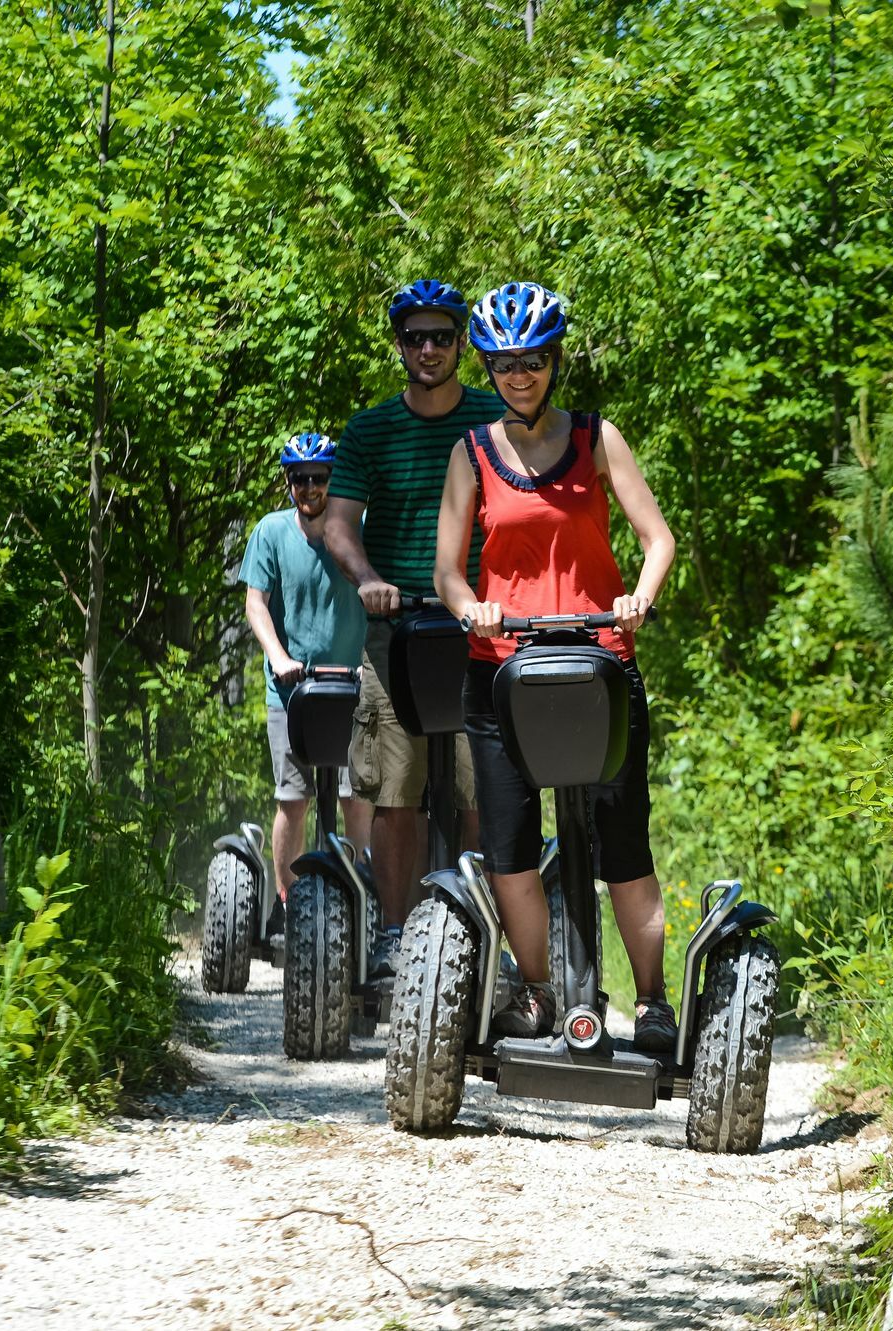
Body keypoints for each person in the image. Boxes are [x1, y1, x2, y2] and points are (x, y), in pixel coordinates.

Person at [434, 282, 680, 1053]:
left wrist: (638, 597)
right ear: (488, 366)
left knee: (624, 841)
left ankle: (651, 1003)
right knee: (509, 843)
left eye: (532, 361)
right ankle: (539, 993)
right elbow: (447, 569)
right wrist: (470, 606)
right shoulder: (470, 452)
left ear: (554, 361)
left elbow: (658, 538)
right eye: (505, 363)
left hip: (598, 664)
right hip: (502, 670)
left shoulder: (598, 439)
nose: (519, 375)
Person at [325, 280, 495, 977]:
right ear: (399, 344)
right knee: (398, 792)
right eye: (415, 337)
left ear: (462, 344)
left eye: (441, 337)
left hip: (485, 629)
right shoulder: (369, 429)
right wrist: (368, 578)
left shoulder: (492, 417)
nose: (428, 348)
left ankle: (479, 930)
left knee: (483, 786)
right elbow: (338, 522)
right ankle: (397, 937)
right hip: (398, 633)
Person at [239, 433, 372, 946]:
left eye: (319, 478)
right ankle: (286, 902)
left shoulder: (358, 528)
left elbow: (380, 591)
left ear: (332, 480)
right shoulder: (271, 532)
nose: (310, 487)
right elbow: (256, 603)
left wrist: (369, 664)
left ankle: (364, 896)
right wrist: (279, 658)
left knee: (354, 797)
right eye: (301, 479)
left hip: (354, 688)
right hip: (293, 691)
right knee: (292, 799)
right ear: (289, 482)